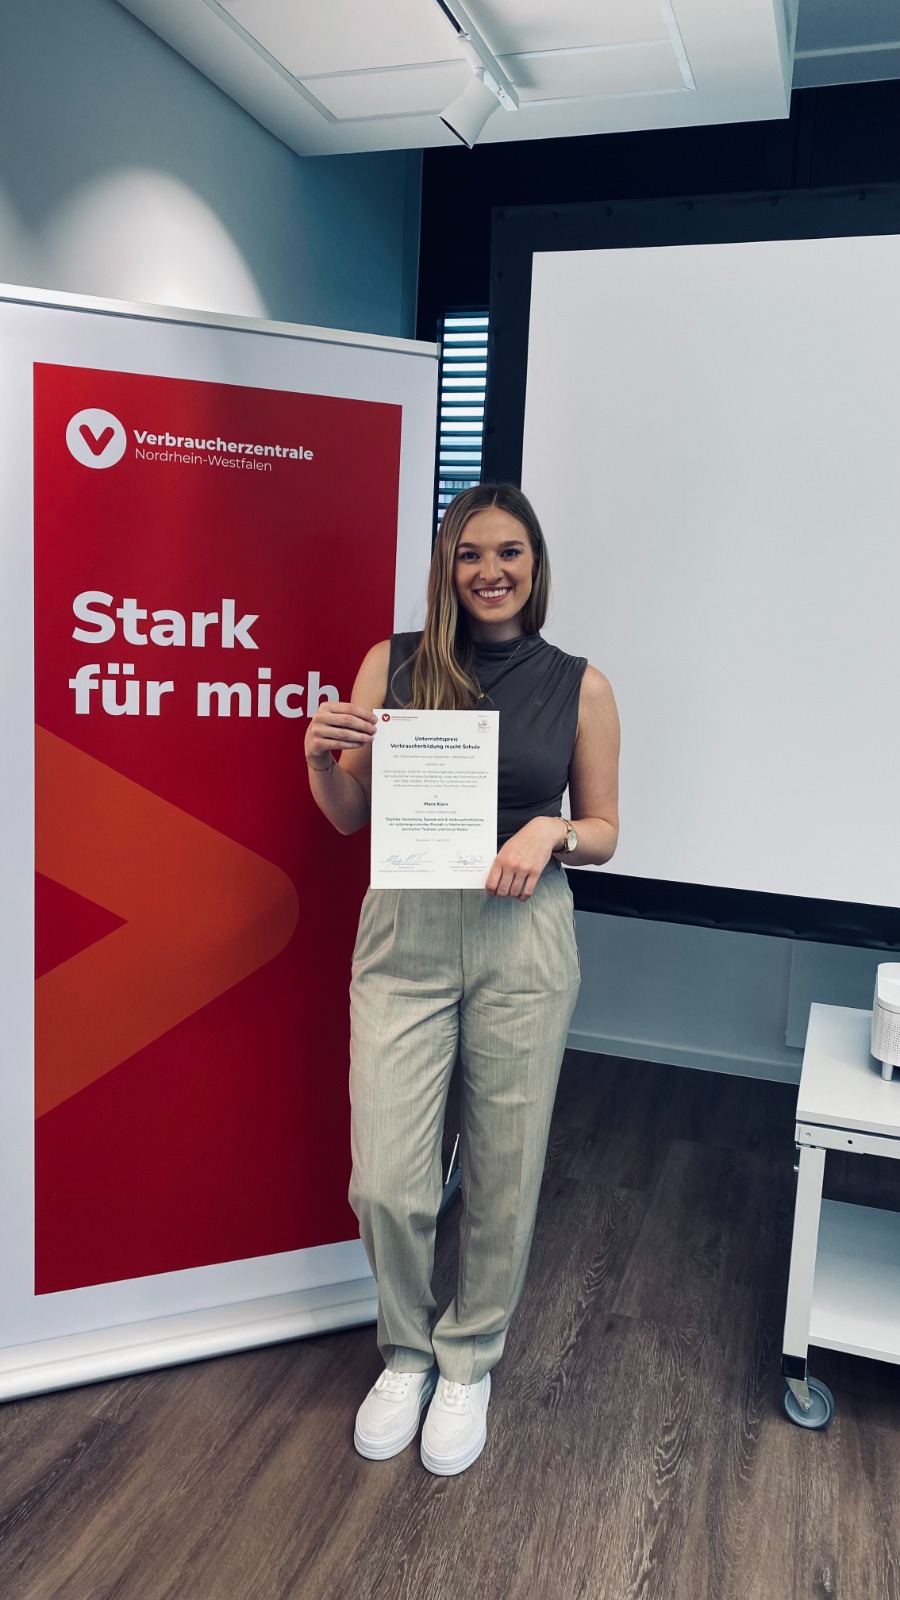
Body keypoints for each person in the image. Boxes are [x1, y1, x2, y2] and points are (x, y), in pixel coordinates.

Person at [304, 483, 620, 1476]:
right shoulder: (391, 663)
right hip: (405, 931)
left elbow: (606, 829)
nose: (490, 571)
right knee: (386, 1182)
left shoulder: (580, 685)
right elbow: (348, 816)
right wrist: (320, 760)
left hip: (523, 932)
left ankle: (468, 1359)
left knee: (503, 1170)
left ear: (536, 565)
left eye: (509, 552)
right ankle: (405, 1351)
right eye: (470, 553)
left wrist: (553, 829)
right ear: (447, 566)